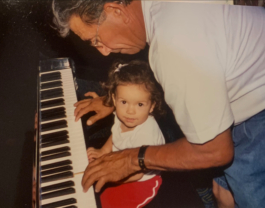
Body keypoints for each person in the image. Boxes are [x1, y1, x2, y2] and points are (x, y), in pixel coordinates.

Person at [52, 1, 265, 207]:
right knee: (223, 194)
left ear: (115, 11)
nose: (103, 51)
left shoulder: (173, 45)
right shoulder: (155, 11)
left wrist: (130, 159)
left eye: (96, 39)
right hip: (245, 87)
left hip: (258, 111)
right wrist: (115, 100)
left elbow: (215, 151)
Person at [86, 60, 166, 208]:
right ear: (115, 99)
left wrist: (110, 176)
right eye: (124, 102)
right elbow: (116, 133)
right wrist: (103, 150)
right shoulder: (122, 115)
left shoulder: (146, 136)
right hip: (123, 165)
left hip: (140, 182)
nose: (130, 111)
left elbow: (136, 174)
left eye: (140, 104)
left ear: (152, 106)